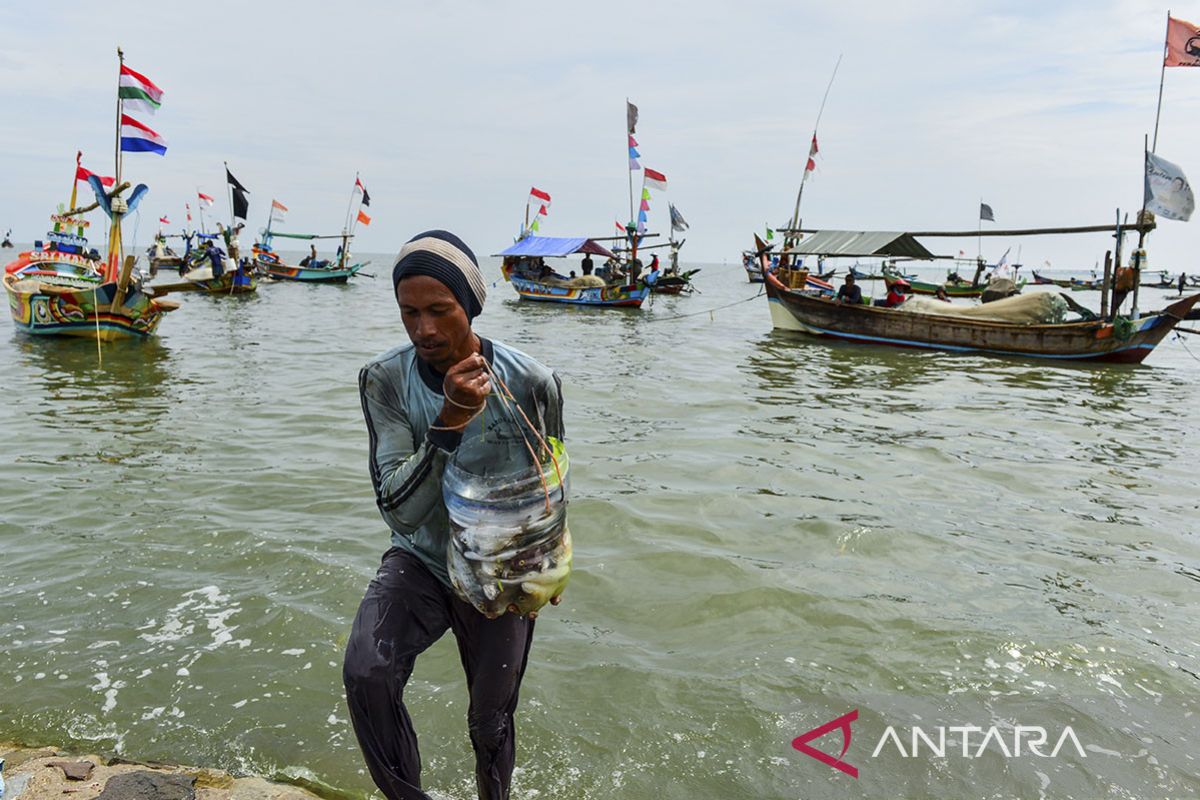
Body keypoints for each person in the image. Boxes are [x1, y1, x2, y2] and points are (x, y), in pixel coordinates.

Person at [344, 230, 564, 800]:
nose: (425, 330)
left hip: (502, 566)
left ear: (471, 304)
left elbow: (553, 481)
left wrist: (550, 557)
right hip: (420, 559)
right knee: (368, 672)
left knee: (490, 719)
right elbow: (400, 509)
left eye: (440, 311)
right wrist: (448, 424)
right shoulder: (384, 379)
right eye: (409, 313)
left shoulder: (533, 382)